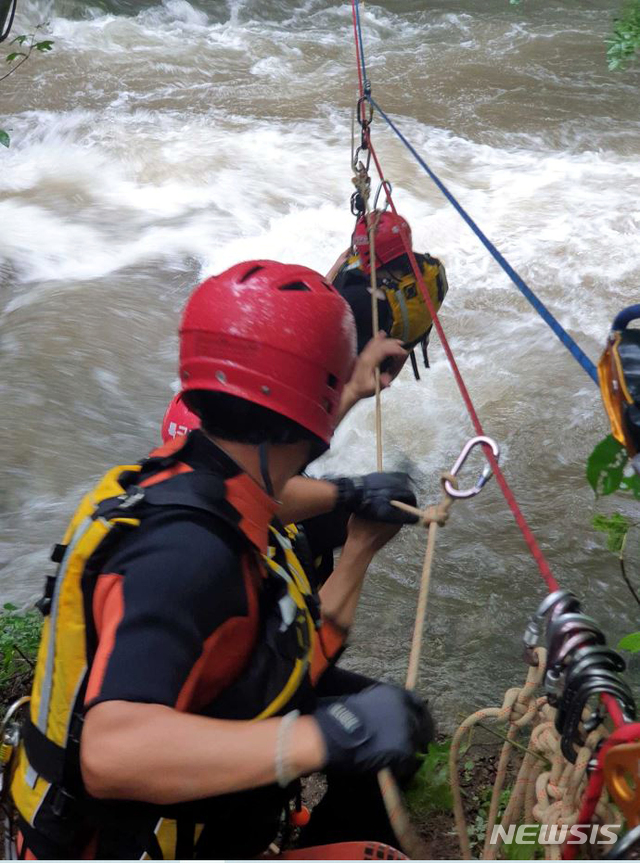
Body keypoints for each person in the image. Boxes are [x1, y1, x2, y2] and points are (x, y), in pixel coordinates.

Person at [10, 261, 432, 860]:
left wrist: (350, 494)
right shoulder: (188, 559)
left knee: (380, 734)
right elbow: (111, 754)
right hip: (121, 843)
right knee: (374, 749)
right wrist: (325, 736)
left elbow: (266, 485)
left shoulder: (177, 472)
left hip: (101, 819)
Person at [327, 210, 449, 374]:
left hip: (358, 376)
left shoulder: (360, 298)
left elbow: (318, 316)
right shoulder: (431, 270)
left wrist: (335, 270)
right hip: (391, 363)